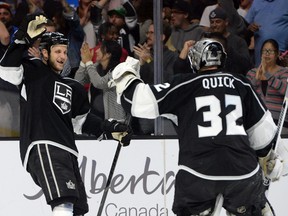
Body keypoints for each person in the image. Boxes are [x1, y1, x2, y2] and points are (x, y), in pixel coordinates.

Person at [111, 38, 282, 215]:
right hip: (242, 172)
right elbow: (263, 136)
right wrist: (267, 158)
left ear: (196, 60)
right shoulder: (241, 83)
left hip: (197, 173)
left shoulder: (185, 84)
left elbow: (137, 101)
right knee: (256, 209)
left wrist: (126, 75)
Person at [0, 14, 132, 216]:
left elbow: (82, 122)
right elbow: (6, 69)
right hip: (43, 143)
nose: (62, 56)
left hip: (68, 151)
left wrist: (110, 128)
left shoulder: (74, 87)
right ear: (44, 53)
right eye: (57, 51)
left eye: (64, 51)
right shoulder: (33, 71)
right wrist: (22, 38)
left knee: (78, 208)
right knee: (64, 201)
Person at [75, 40, 127, 122]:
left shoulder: (118, 72)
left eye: (100, 48)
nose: (96, 51)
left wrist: (88, 62)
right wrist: (83, 61)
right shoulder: (96, 67)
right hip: (94, 117)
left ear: (108, 54)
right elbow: (78, 82)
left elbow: (99, 83)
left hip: (114, 121)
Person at [246, 39, 288, 136]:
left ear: (278, 54)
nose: (267, 54)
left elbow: (286, 91)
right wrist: (256, 79)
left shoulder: (284, 72)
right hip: (257, 124)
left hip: (280, 123)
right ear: (260, 54)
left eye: (271, 51)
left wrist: (267, 75)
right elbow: (246, 95)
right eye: (265, 51)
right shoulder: (252, 73)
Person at [208, 6, 252, 75]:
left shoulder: (239, 41)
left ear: (226, 22)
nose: (214, 25)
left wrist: (227, 48)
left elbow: (246, 65)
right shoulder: (207, 41)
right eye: (212, 22)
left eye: (218, 21)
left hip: (234, 79)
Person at [245, 0, 288, 67]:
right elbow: (246, 25)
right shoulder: (257, 2)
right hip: (260, 57)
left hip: (281, 56)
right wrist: (250, 27)